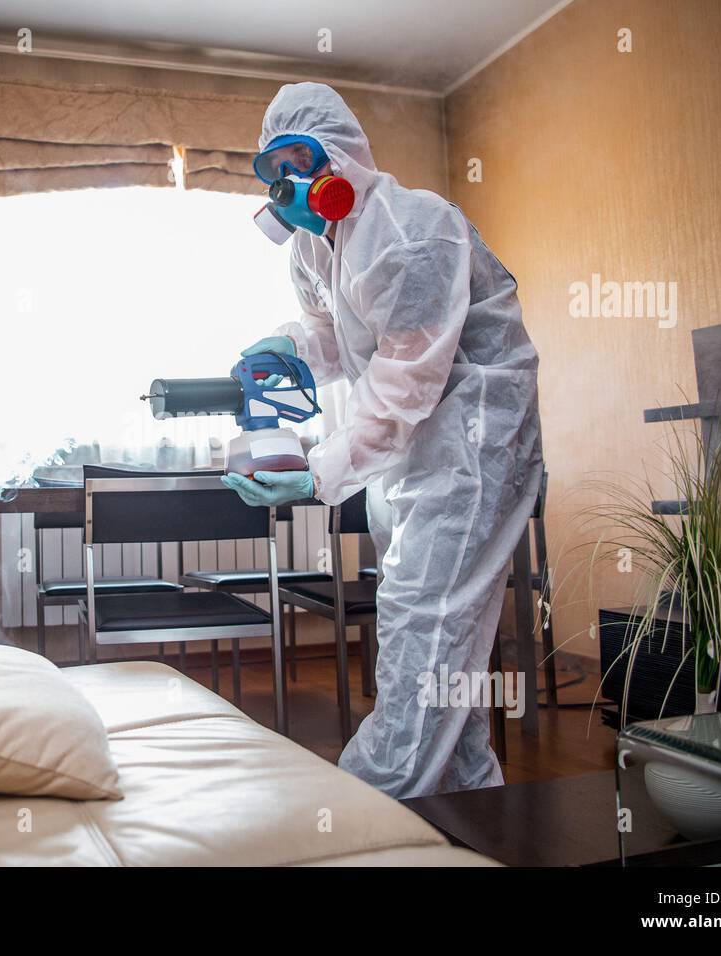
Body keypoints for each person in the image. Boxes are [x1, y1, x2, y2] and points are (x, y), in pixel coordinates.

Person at [222, 82, 543, 798]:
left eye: (300, 159)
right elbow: (342, 339)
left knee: (420, 623)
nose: (288, 184)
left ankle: (369, 808)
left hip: (472, 443)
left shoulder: (412, 232)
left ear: (342, 155)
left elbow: (405, 383)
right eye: (273, 169)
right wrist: (293, 346)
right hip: (408, 451)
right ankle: (470, 811)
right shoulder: (311, 247)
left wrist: (315, 473)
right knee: (434, 627)